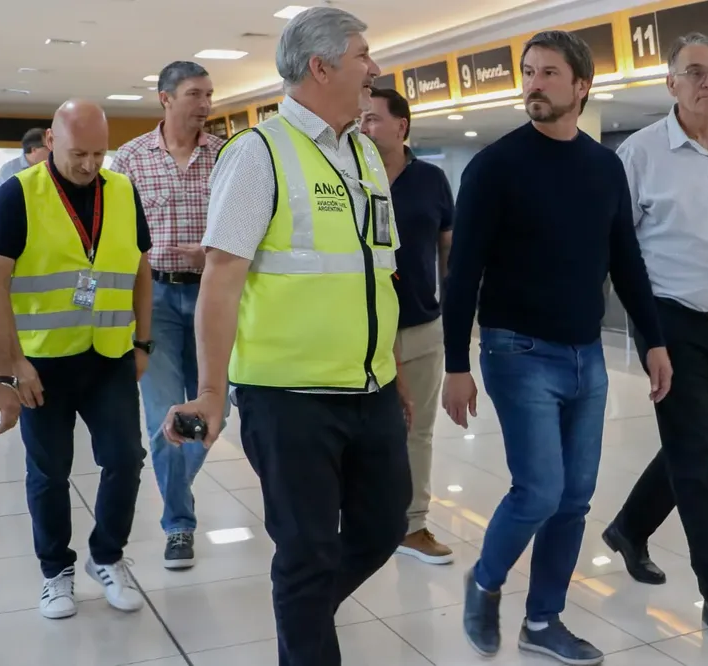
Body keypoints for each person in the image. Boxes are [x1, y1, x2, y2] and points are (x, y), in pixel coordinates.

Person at [160, 8, 411, 666]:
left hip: (371, 389)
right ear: (321, 67)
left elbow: (376, 272)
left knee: (384, 526)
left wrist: (394, 370)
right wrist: (210, 392)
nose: (375, 67)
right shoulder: (258, 153)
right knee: (307, 553)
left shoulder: (364, 153)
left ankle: (303, 614)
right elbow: (221, 279)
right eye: (363, 54)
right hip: (289, 397)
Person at [442, 30, 673, 666]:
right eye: (528, 72)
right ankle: (485, 580)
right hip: (516, 350)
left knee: (574, 499)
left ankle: (542, 622)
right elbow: (463, 272)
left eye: (547, 73)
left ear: (581, 86)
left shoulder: (605, 167)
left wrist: (653, 340)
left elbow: (626, 260)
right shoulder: (495, 166)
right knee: (540, 491)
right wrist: (456, 363)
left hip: (586, 355)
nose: (534, 85)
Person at [604, 32, 708, 649]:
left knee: (694, 450)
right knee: (694, 464)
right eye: (694, 72)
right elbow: (621, 251)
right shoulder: (641, 153)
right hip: (673, 325)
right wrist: (648, 336)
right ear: (670, 82)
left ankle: (629, 526)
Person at [0, 100, 153, 620]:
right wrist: (9, 367)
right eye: (78, 153)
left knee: (126, 458)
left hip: (109, 354)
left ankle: (106, 556)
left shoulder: (123, 191)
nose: (89, 165)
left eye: (99, 154)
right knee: (49, 472)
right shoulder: (18, 194)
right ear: (51, 142)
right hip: (41, 364)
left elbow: (140, 268)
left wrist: (143, 342)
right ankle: (54, 571)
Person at [111, 60, 225, 570]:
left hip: (212, 296)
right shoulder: (132, 158)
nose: (206, 104)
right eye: (196, 94)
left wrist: (211, 253)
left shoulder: (226, 155)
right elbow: (116, 235)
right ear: (166, 98)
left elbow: (246, 228)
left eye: (209, 94)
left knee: (221, 404)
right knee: (165, 414)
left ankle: (177, 480)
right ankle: (179, 523)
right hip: (154, 299)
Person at [361, 86, 455, 565]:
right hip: (360, 328)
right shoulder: (349, 175)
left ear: (401, 126)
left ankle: (413, 525)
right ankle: (362, 519)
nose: (364, 126)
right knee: (362, 431)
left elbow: (448, 250)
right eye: (361, 119)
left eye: (373, 119)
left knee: (417, 430)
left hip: (419, 325)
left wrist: (455, 315)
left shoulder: (432, 179)